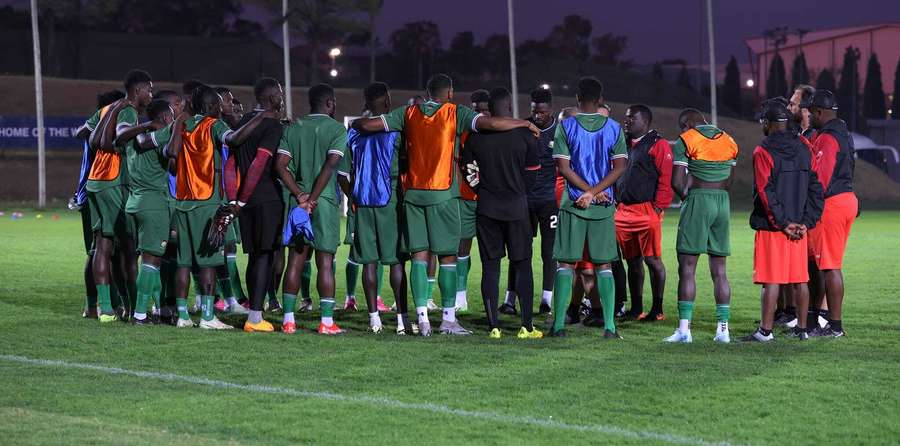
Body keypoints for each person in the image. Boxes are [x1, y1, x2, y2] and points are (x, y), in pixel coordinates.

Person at [352, 73, 539, 336]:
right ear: (449, 93)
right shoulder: (456, 112)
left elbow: (368, 125)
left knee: (419, 257)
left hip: (414, 195)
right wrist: (523, 123)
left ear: (428, 93)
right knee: (448, 257)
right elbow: (492, 124)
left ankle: (422, 319)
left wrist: (356, 124)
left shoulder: (407, 113)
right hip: (443, 195)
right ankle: (448, 320)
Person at [160, 84, 274, 329]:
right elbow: (233, 139)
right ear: (212, 107)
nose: (222, 110)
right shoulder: (213, 125)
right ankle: (208, 317)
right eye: (219, 106)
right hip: (206, 201)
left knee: (183, 262)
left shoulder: (182, 124)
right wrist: (260, 117)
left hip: (181, 201)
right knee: (209, 262)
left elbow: (170, 153)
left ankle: (182, 316)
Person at [460, 87, 543, 339]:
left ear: (489, 110)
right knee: (523, 265)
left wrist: (482, 189)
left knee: (490, 267)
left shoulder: (476, 136)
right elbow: (533, 173)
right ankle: (526, 326)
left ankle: (493, 326)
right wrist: (518, 190)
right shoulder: (525, 134)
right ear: (509, 107)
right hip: (517, 208)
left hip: (487, 207)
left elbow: (467, 169)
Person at [549, 77, 627, 339]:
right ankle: (609, 328)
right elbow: (620, 167)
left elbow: (563, 167)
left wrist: (586, 193)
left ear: (577, 99)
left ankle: (558, 327)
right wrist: (596, 192)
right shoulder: (615, 128)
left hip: (574, 204)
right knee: (604, 265)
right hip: (602, 206)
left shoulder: (565, 126)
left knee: (566, 265)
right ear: (601, 99)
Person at [743, 98, 824, 342]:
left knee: (771, 281)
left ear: (767, 123)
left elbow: (767, 192)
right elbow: (815, 188)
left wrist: (783, 223)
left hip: (774, 227)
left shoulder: (763, 151)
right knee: (800, 279)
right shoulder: (804, 146)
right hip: (799, 226)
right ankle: (802, 330)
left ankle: (765, 332)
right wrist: (805, 222)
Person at [338, 82, 411, 334]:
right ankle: (402, 320)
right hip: (389, 200)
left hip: (362, 202)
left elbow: (342, 174)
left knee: (369, 263)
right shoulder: (396, 130)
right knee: (396, 261)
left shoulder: (353, 132)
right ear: (387, 102)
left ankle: (374, 320)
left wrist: (353, 197)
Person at [276, 83, 349, 335]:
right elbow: (330, 167)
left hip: (298, 202)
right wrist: (313, 200)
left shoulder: (294, 127)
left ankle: (288, 321)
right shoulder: (337, 129)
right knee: (325, 262)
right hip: (324, 202)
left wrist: (300, 196)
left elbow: (280, 165)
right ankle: (326, 323)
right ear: (329, 103)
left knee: (295, 260)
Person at [664, 108, 738, 344]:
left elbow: (676, 181)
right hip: (722, 203)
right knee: (720, 271)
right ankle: (723, 330)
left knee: (687, 267)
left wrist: (690, 199)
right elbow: (729, 181)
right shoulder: (728, 139)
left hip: (698, 200)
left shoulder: (687, 139)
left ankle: (684, 330)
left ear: (686, 124)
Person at [88, 69, 154, 322]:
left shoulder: (108, 108)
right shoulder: (127, 110)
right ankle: (135, 308)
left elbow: (89, 137)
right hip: (114, 181)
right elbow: (109, 142)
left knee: (102, 246)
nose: (151, 94)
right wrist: (149, 126)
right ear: (137, 90)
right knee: (128, 248)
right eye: (149, 89)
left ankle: (106, 309)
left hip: (96, 181)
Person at [223, 77, 286, 332]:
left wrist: (235, 198)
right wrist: (243, 198)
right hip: (264, 198)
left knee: (254, 257)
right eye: (280, 94)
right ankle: (255, 318)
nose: (282, 98)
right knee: (265, 256)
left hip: (245, 200)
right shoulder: (271, 125)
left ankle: (253, 310)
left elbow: (230, 164)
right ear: (272, 98)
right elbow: (260, 163)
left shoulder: (244, 121)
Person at [116, 97, 176, 325]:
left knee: (154, 261)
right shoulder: (159, 134)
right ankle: (140, 314)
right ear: (164, 118)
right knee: (150, 262)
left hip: (134, 203)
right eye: (171, 115)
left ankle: (159, 309)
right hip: (154, 205)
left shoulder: (131, 139)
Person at [500, 87, 558, 316]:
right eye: (534, 111)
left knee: (549, 252)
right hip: (524, 199)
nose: (538, 116)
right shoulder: (522, 128)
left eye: (542, 112)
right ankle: (509, 300)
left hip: (549, 201)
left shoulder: (559, 132)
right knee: (519, 250)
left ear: (550, 109)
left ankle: (546, 301)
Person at [805, 90, 858, 337]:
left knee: (830, 266)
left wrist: (808, 209)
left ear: (819, 112)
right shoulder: (844, 133)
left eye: (810, 111)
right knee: (827, 265)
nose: (808, 115)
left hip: (833, 203)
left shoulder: (828, 138)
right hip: (847, 198)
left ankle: (835, 327)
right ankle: (819, 321)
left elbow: (821, 180)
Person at [616, 104, 673, 322]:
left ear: (645, 122)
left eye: (632, 118)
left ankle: (657, 309)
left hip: (646, 210)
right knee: (632, 261)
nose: (627, 121)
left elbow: (665, 180)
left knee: (652, 260)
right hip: (623, 212)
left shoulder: (658, 144)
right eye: (626, 117)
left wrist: (658, 207)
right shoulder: (623, 142)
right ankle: (636, 307)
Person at [73, 89, 126, 319]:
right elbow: (81, 133)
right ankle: (102, 305)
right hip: (100, 193)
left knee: (99, 251)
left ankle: (94, 305)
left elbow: (79, 132)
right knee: (104, 251)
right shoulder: (104, 129)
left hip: (91, 194)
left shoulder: (94, 128)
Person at [455, 89, 491, 313]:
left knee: (491, 252)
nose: (480, 114)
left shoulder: (497, 133)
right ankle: (461, 295)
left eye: (484, 110)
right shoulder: (464, 133)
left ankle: (497, 297)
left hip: (491, 198)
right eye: (476, 110)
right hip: (467, 197)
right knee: (463, 246)